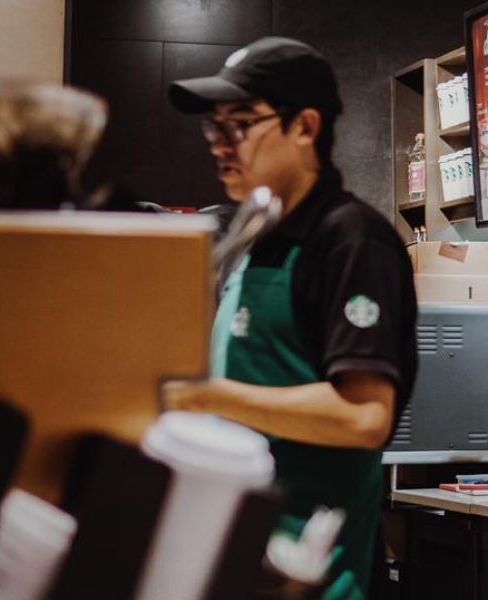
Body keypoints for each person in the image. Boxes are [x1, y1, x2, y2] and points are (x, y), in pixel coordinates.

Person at [159, 37, 417, 600]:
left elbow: (363, 415)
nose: (221, 145)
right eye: (215, 128)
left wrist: (202, 396)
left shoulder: (352, 239)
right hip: (238, 549)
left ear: (304, 127)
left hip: (310, 566)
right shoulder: (255, 236)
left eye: (242, 124)